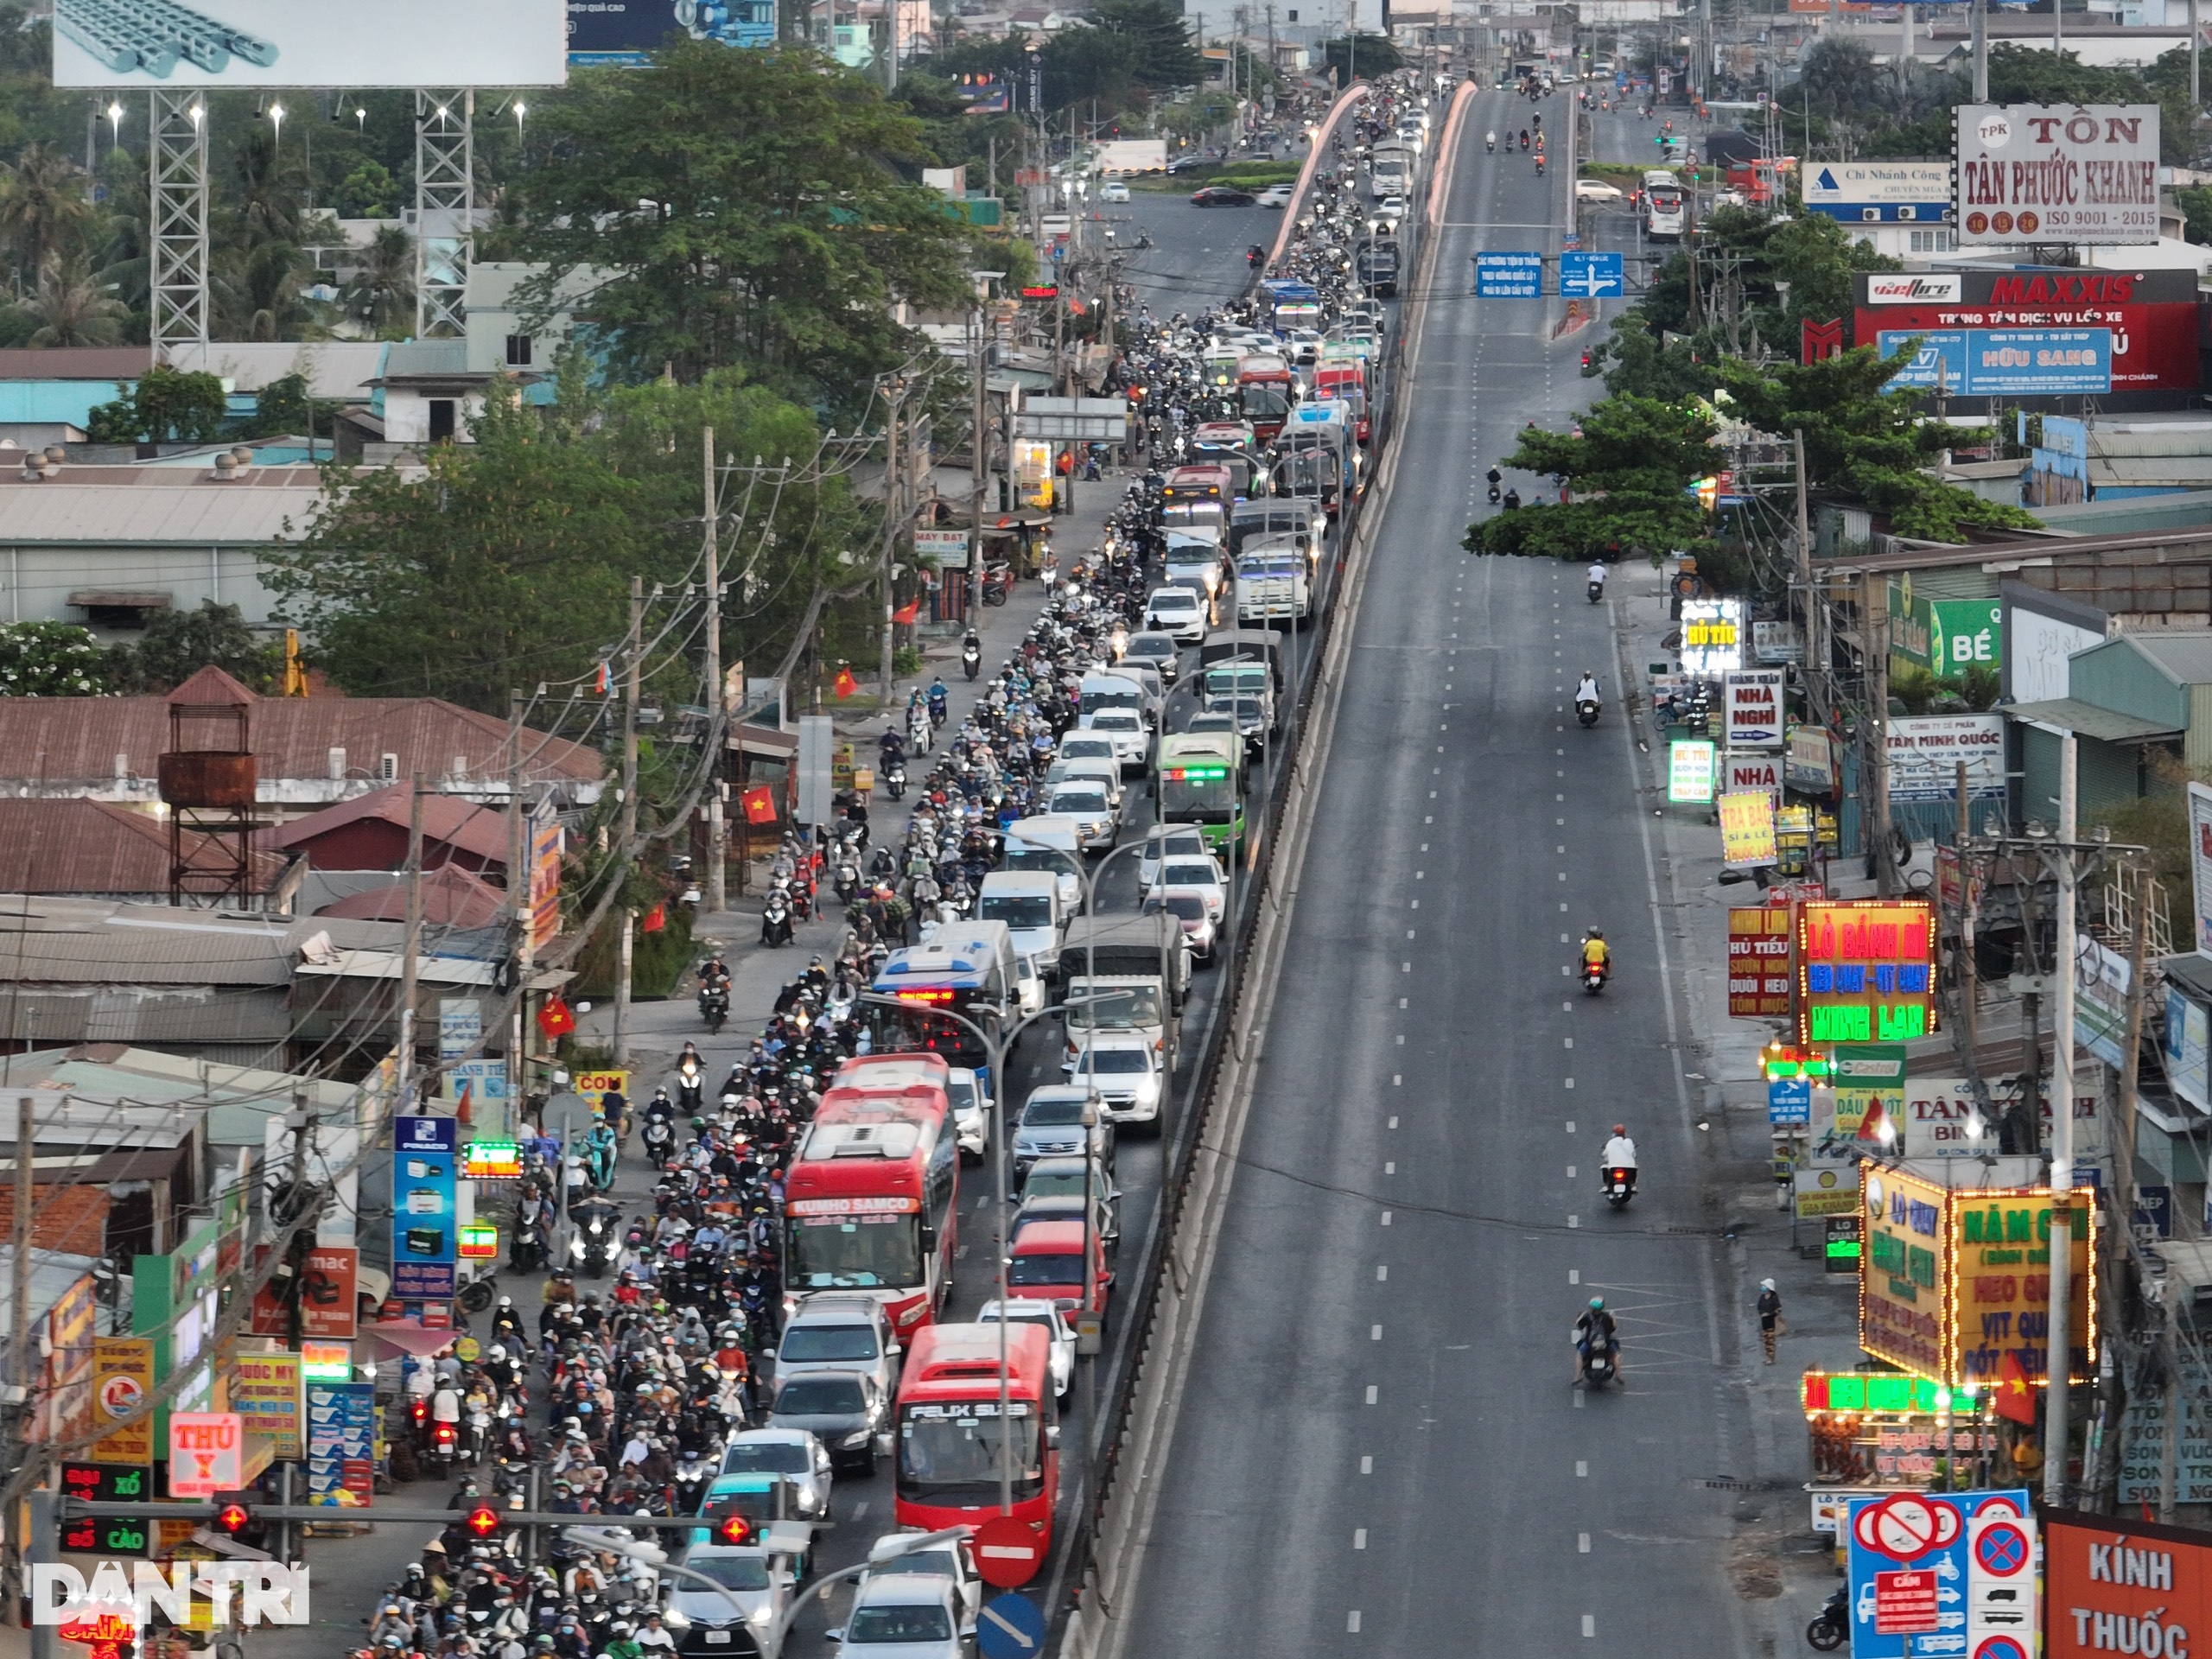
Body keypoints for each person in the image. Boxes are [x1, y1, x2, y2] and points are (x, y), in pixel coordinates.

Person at [1573, 1296, 1621, 1384]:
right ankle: (1618, 1375)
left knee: (1579, 1354)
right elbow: (1612, 1329)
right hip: (1605, 1343)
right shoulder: (1607, 1316)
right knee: (1616, 1355)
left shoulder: (1587, 1316)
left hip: (1590, 1342)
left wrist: (1580, 1316)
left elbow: (1580, 1325)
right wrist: (1614, 1319)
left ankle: (1578, 1376)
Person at [1757, 1279, 1784, 1365]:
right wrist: (1762, 1313)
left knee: (1770, 1340)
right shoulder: (1762, 1297)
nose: (1763, 1288)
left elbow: (1778, 1309)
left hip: (1771, 1322)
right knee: (1765, 1340)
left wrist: (1769, 1314)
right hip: (1764, 1321)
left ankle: (1771, 1358)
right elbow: (1759, 1307)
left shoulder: (1774, 1297)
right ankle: (1768, 1356)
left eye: (1764, 1286)